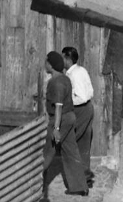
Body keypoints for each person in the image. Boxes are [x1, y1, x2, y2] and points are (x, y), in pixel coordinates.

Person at [42, 51, 87, 197]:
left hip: (61, 120)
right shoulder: (64, 78)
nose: (45, 64)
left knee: (47, 151)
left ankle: (35, 184)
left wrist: (56, 128)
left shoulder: (57, 82)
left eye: (46, 62)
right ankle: (80, 187)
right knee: (70, 151)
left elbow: (58, 106)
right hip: (69, 118)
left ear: (51, 65)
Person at [63, 46, 96, 191]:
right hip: (88, 108)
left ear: (68, 59)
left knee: (69, 145)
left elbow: (81, 97)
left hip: (80, 110)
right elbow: (91, 91)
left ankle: (77, 185)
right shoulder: (81, 70)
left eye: (63, 58)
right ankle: (86, 180)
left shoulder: (74, 75)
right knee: (83, 145)